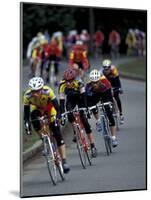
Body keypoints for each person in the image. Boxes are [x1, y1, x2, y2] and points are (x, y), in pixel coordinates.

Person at [23, 77, 70, 173]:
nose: (35, 94)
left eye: (37, 91)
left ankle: (64, 161)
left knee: (57, 133)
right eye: (33, 91)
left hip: (49, 108)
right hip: (38, 110)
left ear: (41, 89)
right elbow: (26, 115)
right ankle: (44, 140)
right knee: (33, 118)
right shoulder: (27, 96)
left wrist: (58, 117)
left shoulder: (48, 91)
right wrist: (27, 125)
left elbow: (57, 108)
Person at [59, 68, 97, 157]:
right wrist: (62, 115)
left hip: (80, 98)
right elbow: (61, 101)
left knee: (84, 119)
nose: (68, 83)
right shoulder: (62, 85)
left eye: (70, 81)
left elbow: (84, 97)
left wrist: (86, 109)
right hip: (70, 100)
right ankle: (75, 131)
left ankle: (93, 145)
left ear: (74, 79)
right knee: (69, 114)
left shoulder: (79, 82)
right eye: (66, 81)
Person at [86, 69, 118, 148]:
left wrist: (110, 104)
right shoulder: (88, 85)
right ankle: (98, 121)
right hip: (95, 94)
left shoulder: (105, 82)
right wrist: (88, 108)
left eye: (96, 82)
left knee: (109, 113)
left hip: (104, 92)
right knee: (92, 104)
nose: (95, 84)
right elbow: (87, 98)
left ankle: (113, 138)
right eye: (93, 83)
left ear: (99, 80)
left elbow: (110, 96)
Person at [101, 59, 124, 124]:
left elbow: (118, 80)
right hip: (106, 85)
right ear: (103, 68)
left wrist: (119, 88)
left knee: (117, 98)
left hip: (114, 83)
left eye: (108, 69)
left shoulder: (114, 70)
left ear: (110, 68)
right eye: (105, 69)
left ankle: (121, 114)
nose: (107, 71)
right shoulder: (101, 72)